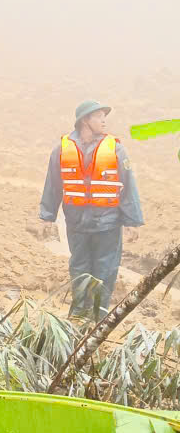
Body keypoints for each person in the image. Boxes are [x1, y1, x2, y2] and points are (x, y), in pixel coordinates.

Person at [39, 100, 144, 320]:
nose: (104, 120)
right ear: (84, 120)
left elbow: (128, 185)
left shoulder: (116, 148)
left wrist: (132, 221)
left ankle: (98, 318)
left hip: (107, 222)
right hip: (76, 223)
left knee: (105, 271)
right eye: (98, 116)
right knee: (79, 268)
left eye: (104, 116)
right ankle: (78, 314)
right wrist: (47, 217)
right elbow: (53, 185)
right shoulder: (62, 149)